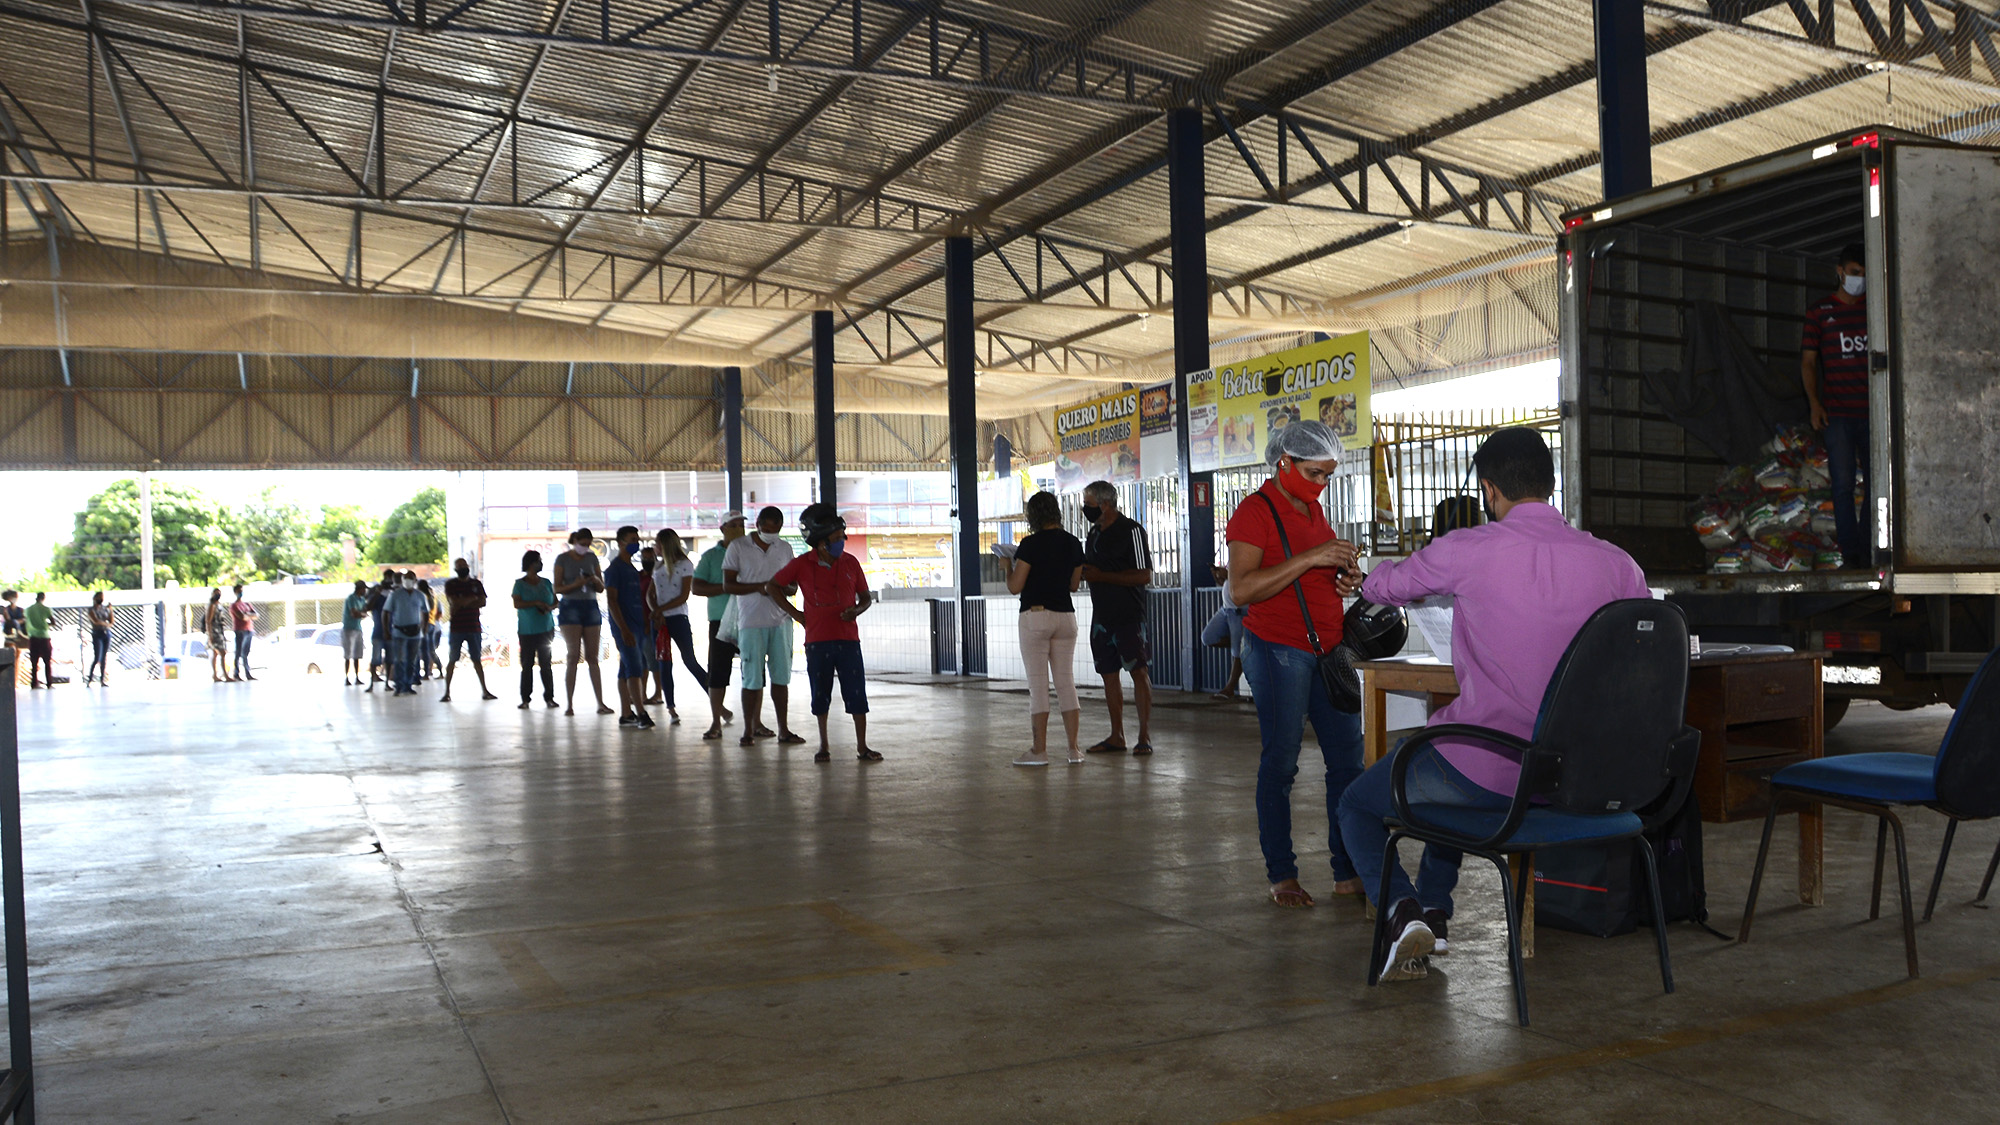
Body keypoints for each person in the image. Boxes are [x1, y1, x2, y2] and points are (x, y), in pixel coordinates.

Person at [1339, 427, 1649, 982]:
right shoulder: (1617, 563)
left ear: (1488, 490)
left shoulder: (1468, 549)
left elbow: (1388, 586)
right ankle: (1436, 911)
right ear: (1550, 485)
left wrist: (1367, 578)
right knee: (1444, 775)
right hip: (1572, 775)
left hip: (1487, 770)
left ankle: (1400, 910)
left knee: (1362, 803)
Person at [1225, 421, 1367, 910]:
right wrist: (1312, 558)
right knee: (1282, 763)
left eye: (1328, 475)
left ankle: (1348, 871)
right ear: (1284, 462)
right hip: (1277, 650)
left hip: (1328, 652)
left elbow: (1315, 575)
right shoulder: (1254, 512)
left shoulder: (1314, 508)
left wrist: (1344, 579)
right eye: (1314, 473)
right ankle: (1282, 875)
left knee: (1348, 763)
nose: (1321, 484)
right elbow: (1240, 590)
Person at [767, 504, 879, 762]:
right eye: (837, 538)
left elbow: (865, 598)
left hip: (849, 640)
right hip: (817, 641)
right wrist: (796, 615)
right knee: (821, 693)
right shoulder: (801, 564)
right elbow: (772, 586)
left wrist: (857, 611)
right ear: (820, 542)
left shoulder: (851, 563)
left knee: (856, 693)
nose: (842, 542)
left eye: (842, 537)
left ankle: (862, 746)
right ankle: (824, 745)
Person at [1004, 490, 1086, 766]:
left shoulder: (1029, 544)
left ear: (1033, 516)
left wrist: (1007, 566)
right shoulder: (1074, 543)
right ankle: (1074, 750)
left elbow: (1015, 586)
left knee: (1038, 686)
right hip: (1066, 618)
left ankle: (1039, 751)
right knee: (1066, 683)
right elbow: (1074, 585)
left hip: (1036, 616)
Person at [1803, 242, 1871, 569]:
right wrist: (1815, 404)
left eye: (1865, 275)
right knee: (1842, 485)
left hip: (1873, 414)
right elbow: (1808, 363)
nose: (1860, 280)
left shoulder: (1874, 311)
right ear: (1840, 272)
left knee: (1877, 485)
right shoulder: (1819, 313)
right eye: (1856, 273)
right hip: (1839, 415)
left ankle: (1871, 549)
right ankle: (1851, 553)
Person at [1079, 480, 1153, 755]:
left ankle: (1143, 736)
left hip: (1128, 616)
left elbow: (1144, 574)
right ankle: (1116, 735)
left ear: (1105, 503)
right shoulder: (1094, 533)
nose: (1085, 509)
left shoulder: (1131, 530)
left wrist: (1103, 576)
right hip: (1102, 617)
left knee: (1138, 671)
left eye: (1088, 504)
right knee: (1109, 675)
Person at [724, 506, 804, 746]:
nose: (771, 533)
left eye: (776, 530)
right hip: (750, 622)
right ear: (757, 524)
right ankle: (748, 730)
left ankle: (783, 729)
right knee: (751, 679)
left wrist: (781, 589)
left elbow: (793, 586)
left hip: (781, 622)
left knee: (781, 679)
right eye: (767, 529)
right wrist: (761, 586)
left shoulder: (785, 548)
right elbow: (728, 585)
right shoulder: (738, 547)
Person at [692, 512, 744, 740]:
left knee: (754, 673)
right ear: (723, 529)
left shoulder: (751, 552)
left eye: (742, 525)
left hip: (749, 620)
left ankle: (756, 723)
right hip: (720, 621)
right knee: (717, 673)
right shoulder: (711, 557)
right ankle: (715, 722)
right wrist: (726, 587)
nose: (739, 529)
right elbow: (697, 587)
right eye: (733, 525)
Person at [553, 528, 614, 716]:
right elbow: (557, 587)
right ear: (575, 540)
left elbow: (601, 587)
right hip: (570, 607)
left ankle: (600, 703)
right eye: (583, 543)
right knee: (573, 656)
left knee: (593, 657)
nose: (585, 547)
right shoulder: (562, 559)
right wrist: (576, 585)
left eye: (588, 544)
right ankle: (569, 704)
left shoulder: (592, 558)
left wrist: (594, 580)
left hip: (591, 606)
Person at [653, 529, 708, 726]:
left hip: (677, 618)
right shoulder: (658, 566)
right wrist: (656, 612)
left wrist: (660, 610)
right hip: (660, 621)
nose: (654, 547)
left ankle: (715, 696)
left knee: (690, 660)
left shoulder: (685, 564)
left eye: (657, 544)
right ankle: (671, 708)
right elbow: (651, 594)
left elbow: (684, 595)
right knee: (664, 663)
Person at [603, 525, 654, 729]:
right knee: (635, 668)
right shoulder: (615, 569)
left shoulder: (632, 569)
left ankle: (626, 714)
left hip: (637, 626)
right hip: (625, 627)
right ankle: (641, 712)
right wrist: (623, 629)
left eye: (637, 539)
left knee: (626, 669)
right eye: (632, 539)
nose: (636, 542)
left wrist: (644, 622)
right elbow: (612, 601)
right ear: (620, 542)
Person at [440, 558, 497, 703]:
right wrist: (472, 599)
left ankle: (485, 690)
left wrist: (463, 602)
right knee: (452, 659)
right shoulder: (451, 584)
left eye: (463, 566)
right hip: (457, 628)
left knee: (477, 659)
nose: (462, 568)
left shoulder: (476, 583)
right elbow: (453, 602)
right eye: (459, 566)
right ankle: (447, 692)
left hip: (474, 627)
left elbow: (482, 602)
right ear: (455, 568)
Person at [513, 550, 559, 709]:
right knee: (527, 665)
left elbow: (556, 602)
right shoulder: (519, 584)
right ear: (530, 564)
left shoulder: (546, 582)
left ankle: (549, 697)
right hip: (527, 631)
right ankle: (525, 699)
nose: (540, 564)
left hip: (546, 628)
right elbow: (517, 604)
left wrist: (548, 607)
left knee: (546, 665)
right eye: (538, 561)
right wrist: (535, 603)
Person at [1201, 562, 1248, 702]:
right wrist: (1221, 578)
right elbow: (1229, 583)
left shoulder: (1249, 554)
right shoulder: (1233, 556)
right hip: (1226, 608)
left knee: (1237, 651)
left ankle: (1229, 688)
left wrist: (1228, 575)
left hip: (1239, 610)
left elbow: (1247, 578)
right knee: (1208, 637)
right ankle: (1244, 645)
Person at [385, 570, 429, 695]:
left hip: (415, 632)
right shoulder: (395, 595)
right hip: (399, 631)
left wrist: (424, 627)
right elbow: (386, 612)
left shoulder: (420, 595)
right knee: (399, 660)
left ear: (415, 581)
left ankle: (408, 685)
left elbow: (426, 612)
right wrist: (386, 630)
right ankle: (399, 685)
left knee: (412, 660)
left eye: (411, 578)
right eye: (405, 578)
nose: (408, 580)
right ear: (402, 580)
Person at [366, 568, 395, 691]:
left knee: (389, 659)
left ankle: (387, 682)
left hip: (391, 632)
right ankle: (372, 682)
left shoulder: (394, 593)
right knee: (375, 659)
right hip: (378, 631)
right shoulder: (377, 593)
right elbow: (368, 606)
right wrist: (378, 592)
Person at [340, 580, 369, 686]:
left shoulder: (361, 599)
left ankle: (357, 677)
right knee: (348, 654)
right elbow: (354, 614)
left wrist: (361, 613)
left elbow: (362, 612)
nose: (365, 591)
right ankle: (347, 678)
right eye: (363, 589)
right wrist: (361, 614)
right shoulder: (351, 599)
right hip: (349, 629)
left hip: (357, 628)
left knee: (357, 654)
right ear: (359, 589)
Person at [24, 592, 54, 688]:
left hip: (33, 637)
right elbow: (53, 622)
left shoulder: (28, 610)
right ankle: (49, 683)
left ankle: (34, 683)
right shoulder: (46, 609)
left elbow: (25, 620)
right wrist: (45, 625)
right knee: (47, 662)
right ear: (43, 598)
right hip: (44, 636)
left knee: (34, 662)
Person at [228, 584, 258, 681]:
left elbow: (256, 615)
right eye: (239, 591)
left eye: (242, 590)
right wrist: (249, 615)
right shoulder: (234, 605)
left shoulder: (247, 604)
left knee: (246, 653)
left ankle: (247, 673)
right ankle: (236, 673)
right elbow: (242, 617)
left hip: (249, 630)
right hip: (240, 630)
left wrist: (247, 614)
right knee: (238, 652)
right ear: (235, 592)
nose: (241, 592)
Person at [204, 588, 232, 682]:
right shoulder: (211, 606)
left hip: (220, 630)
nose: (217, 595)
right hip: (214, 631)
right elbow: (208, 620)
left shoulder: (218, 605)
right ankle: (224, 674)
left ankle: (215, 675)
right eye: (216, 593)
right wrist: (210, 634)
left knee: (216, 654)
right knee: (222, 652)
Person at [85, 592, 114, 685]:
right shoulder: (91, 610)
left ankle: (102, 680)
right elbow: (96, 621)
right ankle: (90, 679)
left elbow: (111, 621)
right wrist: (106, 624)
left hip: (106, 633)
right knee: (97, 657)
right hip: (97, 633)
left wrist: (110, 610)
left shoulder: (105, 609)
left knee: (104, 657)